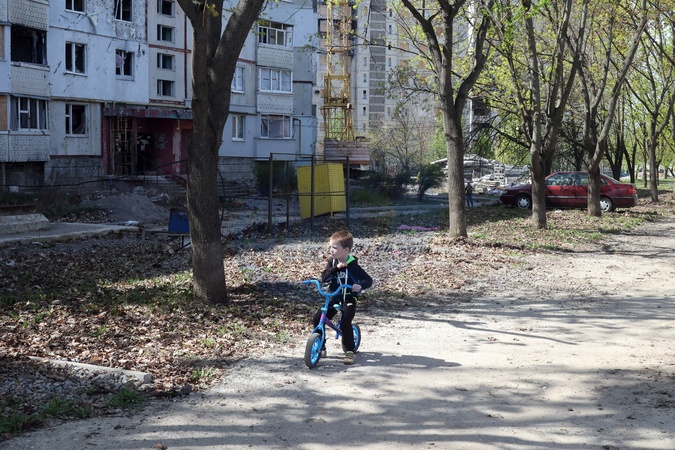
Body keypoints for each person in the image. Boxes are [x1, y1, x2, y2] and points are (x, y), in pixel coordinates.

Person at [312, 230, 372, 365]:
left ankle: (349, 351)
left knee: (345, 322)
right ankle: (321, 347)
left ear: (346, 250)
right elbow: (324, 277)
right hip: (334, 297)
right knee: (318, 318)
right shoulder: (332, 261)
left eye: (334, 247)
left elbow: (368, 280)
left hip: (349, 298)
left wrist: (359, 285)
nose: (331, 250)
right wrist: (336, 268)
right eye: (330, 247)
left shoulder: (353, 266)